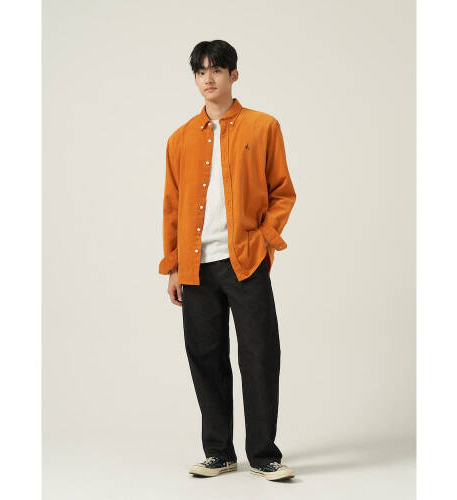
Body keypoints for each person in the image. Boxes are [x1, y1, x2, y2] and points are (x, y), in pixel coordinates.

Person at [158, 39, 297, 481]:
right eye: (200, 71)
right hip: (196, 266)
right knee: (206, 357)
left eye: (216, 70)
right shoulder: (180, 139)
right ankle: (219, 452)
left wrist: (264, 241)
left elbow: (282, 191)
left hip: (245, 260)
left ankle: (264, 454)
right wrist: (173, 265)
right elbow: (172, 206)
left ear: (233, 75)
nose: (208, 79)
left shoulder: (263, 126)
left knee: (259, 355)